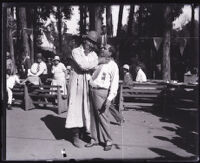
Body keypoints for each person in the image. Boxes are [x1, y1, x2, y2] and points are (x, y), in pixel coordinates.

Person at [65, 31, 108, 148]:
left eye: (93, 43)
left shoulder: (93, 55)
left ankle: (84, 132)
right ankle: (75, 135)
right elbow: (83, 66)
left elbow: (95, 69)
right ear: (85, 40)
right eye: (89, 41)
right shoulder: (76, 51)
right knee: (76, 108)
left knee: (87, 108)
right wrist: (98, 61)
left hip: (89, 83)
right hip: (77, 84)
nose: (91, 44)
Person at [85, 44, 119, 151]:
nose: (102, 49)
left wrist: (109, 99)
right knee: (93, 117)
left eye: (105, 48)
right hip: (92, 90)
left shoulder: (113, 65)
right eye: (103, 47)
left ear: (110, 53)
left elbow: (114, 83)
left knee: (102, 117)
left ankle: (108, 140)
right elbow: (92, 74)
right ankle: (94, 139)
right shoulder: (99, 62)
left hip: (102, 92)